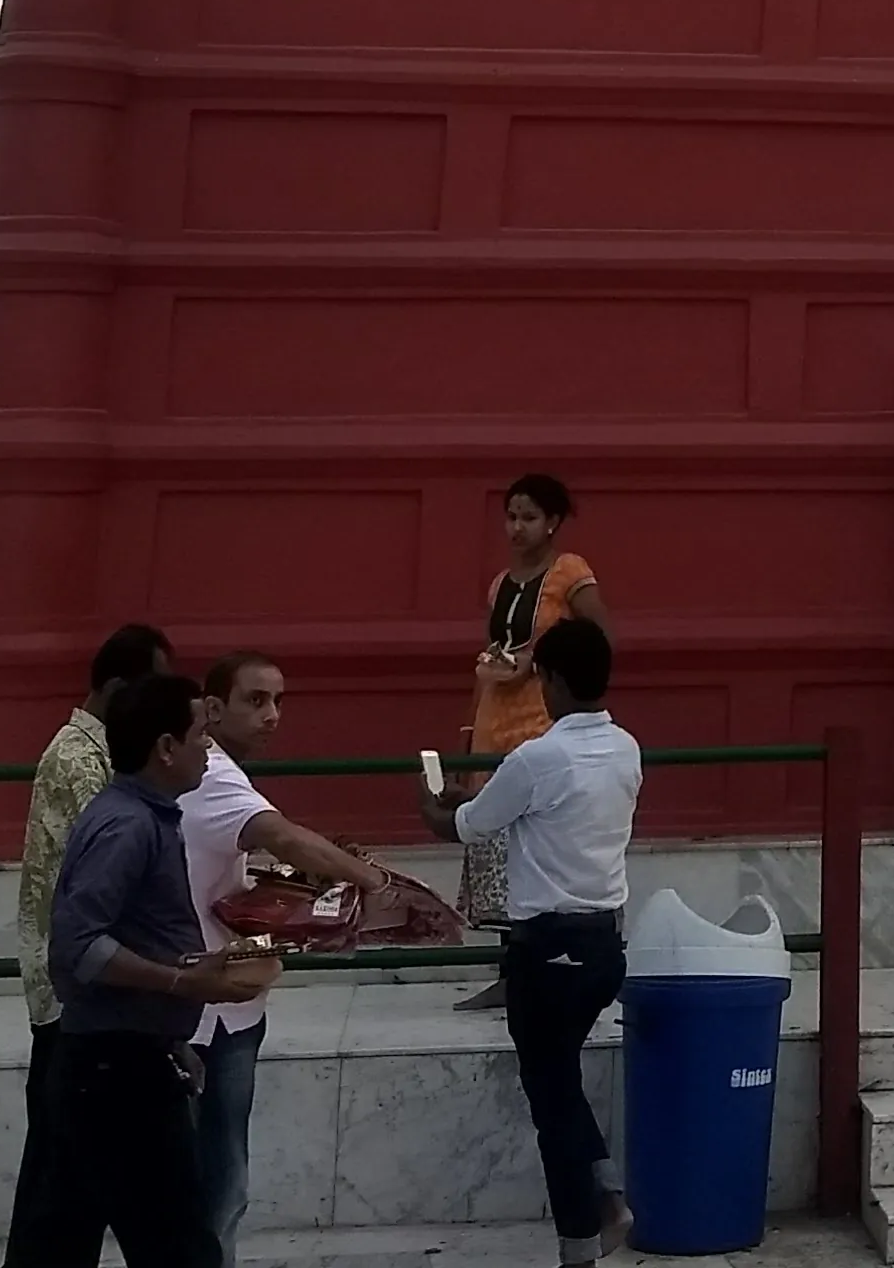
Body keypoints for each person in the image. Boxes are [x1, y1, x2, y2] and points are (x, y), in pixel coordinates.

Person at [5, 672, 279, 1268]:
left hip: (123, 1053)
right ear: (164, 748)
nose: (209, 747)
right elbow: (79, 947)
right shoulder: (128, 826)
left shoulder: (147, 815)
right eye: (200, 734)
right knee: (175, 1241)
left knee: (65, 1236)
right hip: (114, 1071)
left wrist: (167, 1031)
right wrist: (186, 984)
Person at [419, 618, 637, 1268]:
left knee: (552, 1099)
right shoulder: (627, 747)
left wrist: (429, 798)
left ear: (555, 680)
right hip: (604, 946)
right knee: (558, 1082)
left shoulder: (539, 756)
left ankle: (593, 1220)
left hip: (548, 949)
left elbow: (461, 827)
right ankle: (595, 1212)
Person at [182, 654, 392, 1268]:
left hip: (230, 1005)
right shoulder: (213, 775)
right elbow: (287, 837)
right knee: (211, 1178)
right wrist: (377, 883)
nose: (272, 716)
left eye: (278, 701)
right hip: (193, 1006)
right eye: (256, 701)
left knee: (221, 1171)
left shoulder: (218, 774)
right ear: (213, 710)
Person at [16, 623, 173, 1229]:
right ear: (115, 688)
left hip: (78, 981)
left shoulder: (94, 753)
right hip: (75, 989)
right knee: (61, 1168)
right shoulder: (84, 762)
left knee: (68, 1167)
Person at [459, 475, 607, 1012]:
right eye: (511, 516)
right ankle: (512, 971)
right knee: (495, 849)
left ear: (553, 522)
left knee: (539, 848)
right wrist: (465, 736)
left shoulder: (571, 573)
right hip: (495, 720)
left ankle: (553, 967)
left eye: (528, 517)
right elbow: (490, 656)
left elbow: (598, 638)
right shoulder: (500, 583)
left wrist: (539, 658)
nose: (517, 528)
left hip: (547, 722)